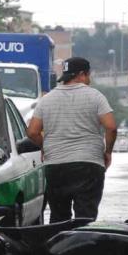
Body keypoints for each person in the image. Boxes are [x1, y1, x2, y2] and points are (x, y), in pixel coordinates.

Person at [26, 57, 117, 223]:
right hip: (89, 164)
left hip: (56, 166)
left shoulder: (47, 99)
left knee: (59, 217)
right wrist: (108, 152)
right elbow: (111, 127)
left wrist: (45, 147)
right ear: (82, 74)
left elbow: (32, 132)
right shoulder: (96, 96)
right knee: (85, 218)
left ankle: (60, 247)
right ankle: (82, 247)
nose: (89, 80)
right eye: (88, 75)